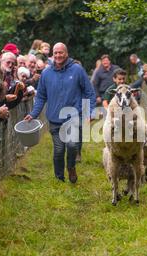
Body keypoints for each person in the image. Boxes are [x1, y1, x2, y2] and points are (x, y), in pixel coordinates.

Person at [24, 43, 96, 183]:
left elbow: (89, 92)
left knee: (72, 145)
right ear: (52, 54)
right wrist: (33, 114)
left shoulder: (77, 70)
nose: (58, 55)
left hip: (74, 116)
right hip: (55, 118)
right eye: (55, 53)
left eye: (61, 52)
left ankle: (71, 167)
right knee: (58, 150)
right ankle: (59, 178)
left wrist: (89, 112)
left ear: (66, 53)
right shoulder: (46, 73)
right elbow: (41, 97)